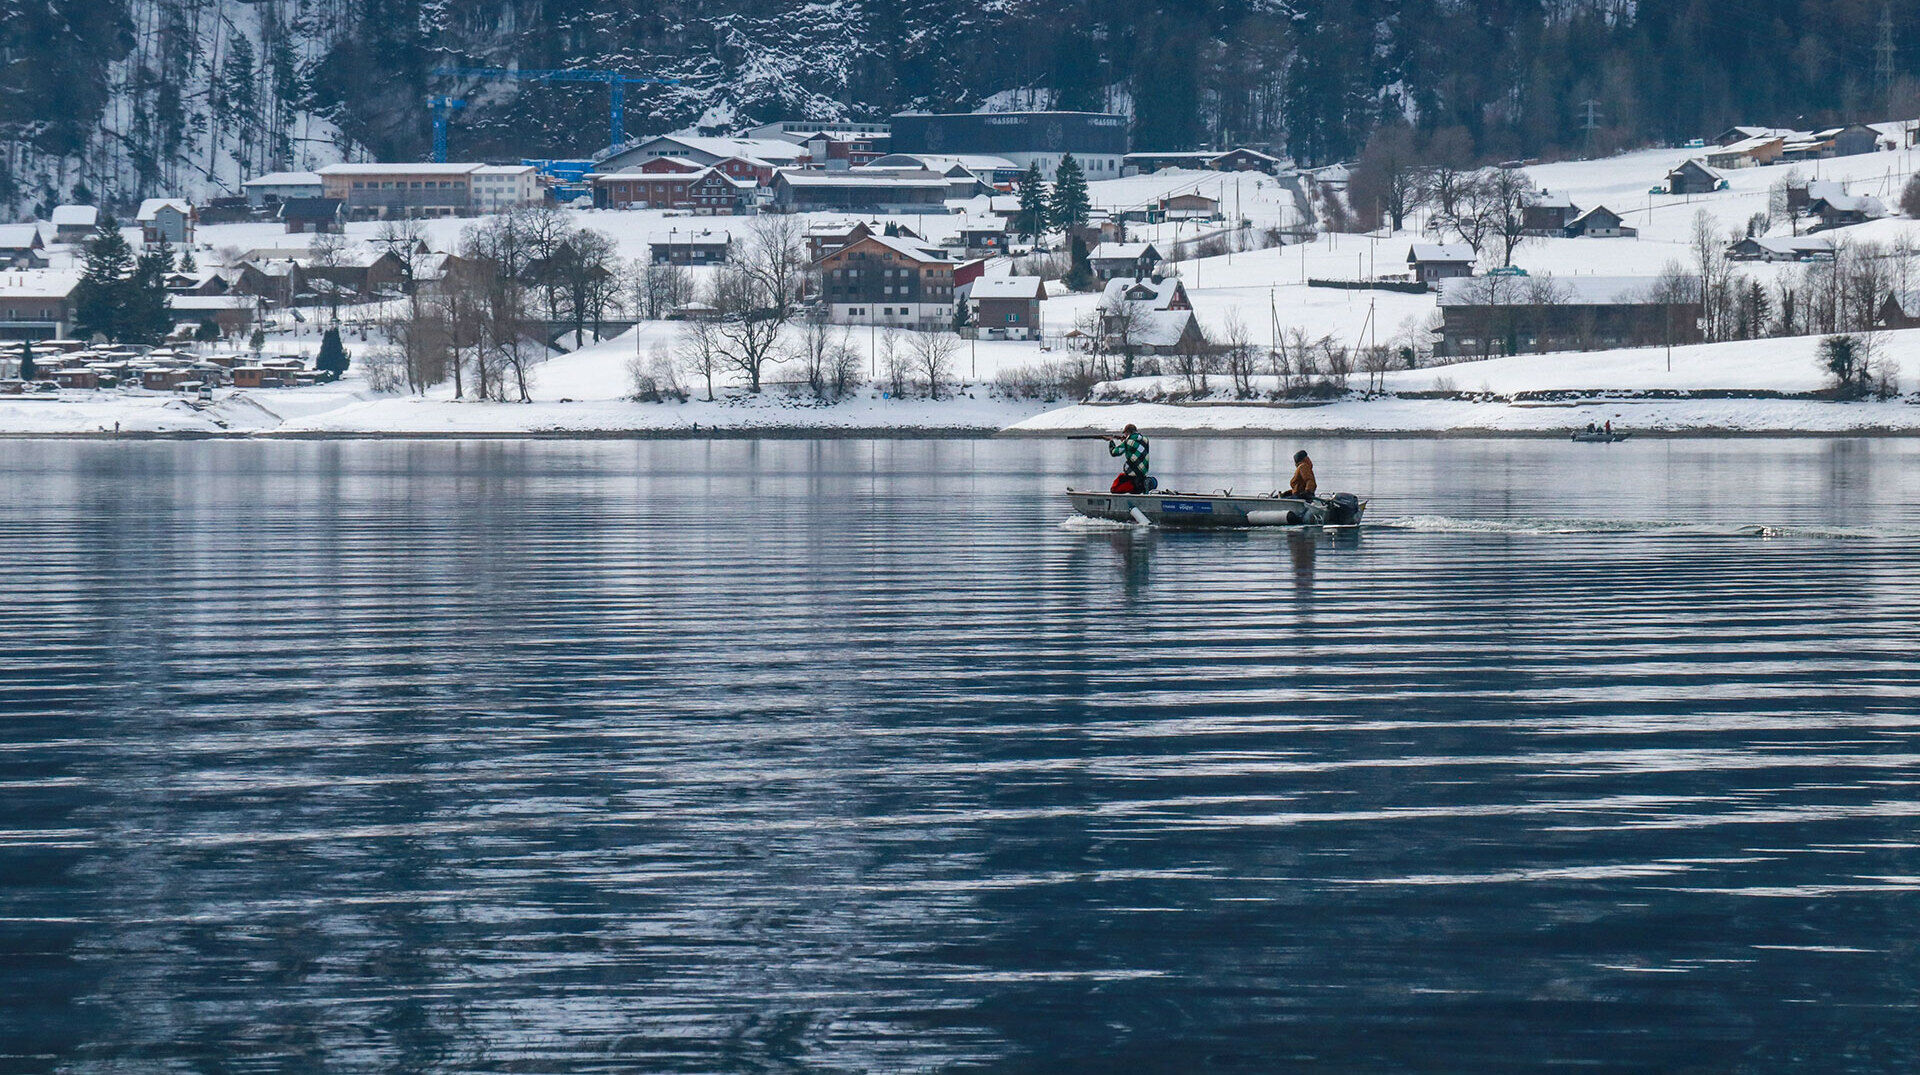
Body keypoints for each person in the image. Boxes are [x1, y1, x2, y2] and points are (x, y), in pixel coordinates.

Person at [1108, 424, 1150, 493]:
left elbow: (1114, 452)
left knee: (1114, 489)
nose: (1124, 435)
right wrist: (1125, 440)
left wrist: (1111, 441)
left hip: (1132, 475)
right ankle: (1145, 484)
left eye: (1125, 433)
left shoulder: (1127, 442)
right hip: (1143, 474)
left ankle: (1137, 487)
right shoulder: (1145, 439)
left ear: (1128, 432)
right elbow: (1136, 445)